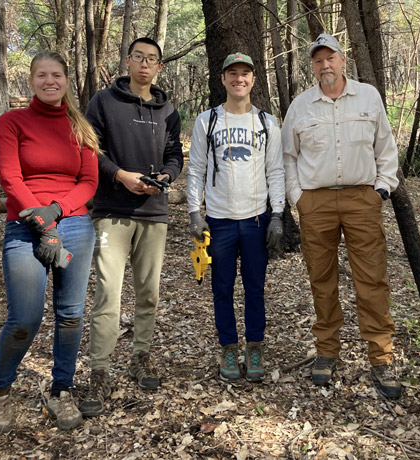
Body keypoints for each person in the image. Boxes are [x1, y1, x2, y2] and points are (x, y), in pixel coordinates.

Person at [281, 34, 401, 397]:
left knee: (372, 279)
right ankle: (326, 352)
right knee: (322, 279)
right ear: (313, 66)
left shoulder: (368, 97)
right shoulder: (301, 106)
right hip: (315, 202)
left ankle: (381, 358)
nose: (325, 66)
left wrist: (382, 188)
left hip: (362, 198)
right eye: (318, 61)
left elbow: (386, 145)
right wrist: (297, 196)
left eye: (330, 58)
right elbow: (288, 156)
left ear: (343, 59)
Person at [0, 50, 100, 432]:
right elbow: (10, 179)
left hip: (75, 225)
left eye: (57, 76)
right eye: (42, 75)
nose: (50, 82)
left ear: (67, 81)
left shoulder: (80, 126)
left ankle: (60, 390)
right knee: (25, 318)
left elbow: (89, 182)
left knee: (70, 316)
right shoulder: (11, 122)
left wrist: (56, 211)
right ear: (32, 80)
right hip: (23, 226)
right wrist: (42, 221)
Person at [80, 37, 183, 416]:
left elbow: (175, 154)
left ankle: (141, 356)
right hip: (112, 210)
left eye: (152, 59)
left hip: (154, 212)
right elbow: (90, 149)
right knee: (109, 292)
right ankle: (100, 370)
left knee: (149, 293)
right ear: (128, 61)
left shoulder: (168, 109)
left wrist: (166, 177)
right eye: (138, 57)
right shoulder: (103, 102)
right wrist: (120, 175)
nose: (144, 64)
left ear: (158, 66)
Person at [186, 52, 285, 382]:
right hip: (219, 220)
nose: (239, 78)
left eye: (245, 73)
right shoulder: (207, 121)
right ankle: (228, 347)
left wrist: (278, 215)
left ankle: (254, 346)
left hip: (256, 219)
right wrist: (194, 213)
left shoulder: (267, 123)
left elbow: (276, 170)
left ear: (253, 79)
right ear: (224, 79)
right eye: (233, 73)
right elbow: (197, 168)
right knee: (222, 287)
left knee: (255, 288)